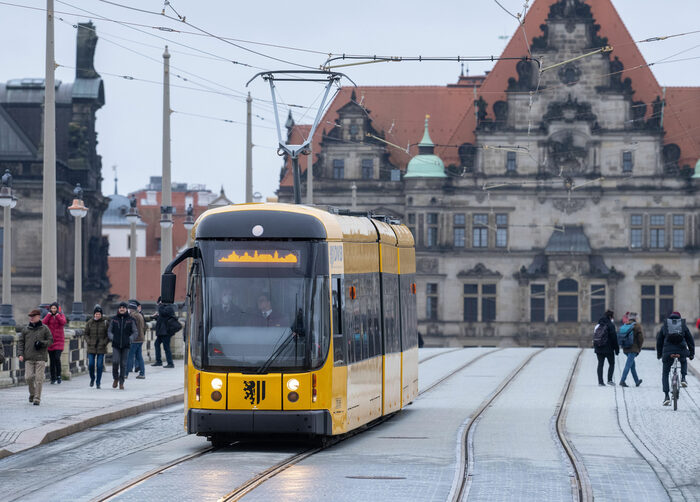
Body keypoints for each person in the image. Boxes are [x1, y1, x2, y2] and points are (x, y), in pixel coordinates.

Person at [656, 311, 695, 406]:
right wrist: (691, 354)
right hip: (681, 350)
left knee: (665, 373)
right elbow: (690, 340)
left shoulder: (665, 326)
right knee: (683, 361)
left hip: (668, 352)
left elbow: (659, 341)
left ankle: (666, 397)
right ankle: (683, 378)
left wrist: (659, 354)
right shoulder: (683, 326)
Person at [18, 309, 53, 405]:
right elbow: (21, 342)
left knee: (39, 378)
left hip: (40, 357)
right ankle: (32, 394)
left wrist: (42, 343)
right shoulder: (25, 329)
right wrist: (20, 354)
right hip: (28, 357)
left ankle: (37, 398)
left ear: (38, 317)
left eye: (33, 316)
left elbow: (50, 340)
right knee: (28, 378)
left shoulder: (44, 328)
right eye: (30, 316)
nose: (31, 318)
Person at [108, 302, 137, 389]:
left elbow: (135, 332)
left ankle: (121, 382)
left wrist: (130, 339)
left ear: (126, 309)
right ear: (118, 309)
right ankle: (115, 378)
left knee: (123, 364)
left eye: (123, 308)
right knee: (115, 362)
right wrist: (113, 338)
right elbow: (109, 331)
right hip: (116, 344)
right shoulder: (114, 319)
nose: (121, 309)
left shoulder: (131, 320)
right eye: (120, 307)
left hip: (126, 345)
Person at [84, 305, 109, 389]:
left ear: (101, 314)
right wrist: (89, 341)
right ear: (94, 314)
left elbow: (108, 335)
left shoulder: (105, 322)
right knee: (91, 364)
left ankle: (98, 382)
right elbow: (86, 334)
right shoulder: (90, 322)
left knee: (99, 365)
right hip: (91, 346)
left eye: (99, 314)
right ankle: (92, 378)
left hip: (101, 347)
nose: (97, 315)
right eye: (96, 314)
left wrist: (104, 342)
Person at [43, 302, 67, 384]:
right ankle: (53, 377)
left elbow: (63, 322)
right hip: (51, 341)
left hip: (59, 340)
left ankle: (59, 376)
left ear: (57, 309)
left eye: (54, 308)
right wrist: (49, 315)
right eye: (52, 308)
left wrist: (57, 316)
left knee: (57, 358)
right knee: (52, 360)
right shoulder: (48, 316)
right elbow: (43, 323)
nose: (53, 310)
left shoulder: (61, 315)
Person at [152, 297, 180, 368]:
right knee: (156, 344)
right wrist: (155, 317)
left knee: (166, 347)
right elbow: (162, 318)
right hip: (161, 332)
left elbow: (164, 314)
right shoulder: (163, 308)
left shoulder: (168, 308)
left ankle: (170, 363)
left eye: (158, 303)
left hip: (166, 332)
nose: (158, 304)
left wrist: (160, 307)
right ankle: (158, 361)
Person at [594, 309, 619, 386]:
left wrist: (596, 347)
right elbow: (614, 338)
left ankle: (600, 382)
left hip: (599, 347)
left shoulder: (598, 325)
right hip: (609, 348)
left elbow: (595, 336)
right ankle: (609, 380)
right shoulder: (611, 325)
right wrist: (616, 349)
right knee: (611, 363)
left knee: (600, 364)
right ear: (611, 317)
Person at [619, 312, 643, 387]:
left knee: (632, 365)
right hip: (633, 349)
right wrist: (639, 347)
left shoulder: (626, 324)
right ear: (635, 318)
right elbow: (641, 338)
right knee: (628, 365)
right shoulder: (637, 326)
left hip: (626, 349)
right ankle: (622, 381)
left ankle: (637, 381)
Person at [126, 300, 146, 380]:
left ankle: (125, 373)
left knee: (129, 356)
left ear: (130, 309)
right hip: (140, 338)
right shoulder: (140, 315)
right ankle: (142, 373)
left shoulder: (132, 316)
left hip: (135, 339)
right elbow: (144, 327)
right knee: (139, 356)